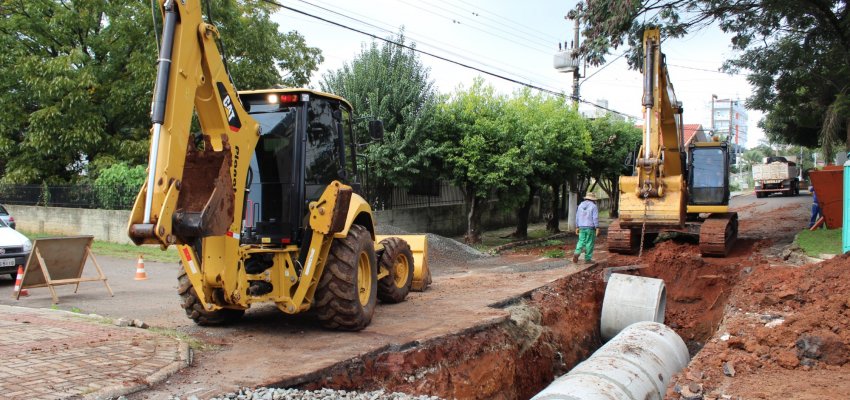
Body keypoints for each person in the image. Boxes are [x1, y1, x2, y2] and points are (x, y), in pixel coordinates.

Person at [572, 193, 600, 263]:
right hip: (590, 227)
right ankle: (587, 259)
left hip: (581, 227)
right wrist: (597, 227)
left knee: (581, 241)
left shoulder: (580, 205)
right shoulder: (594, 206)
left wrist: (577, 227)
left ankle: (577, 252)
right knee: (589, 243)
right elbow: (595, 218)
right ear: (593, 200)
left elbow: (577, 216)